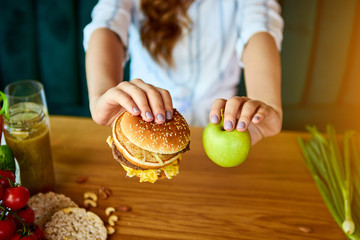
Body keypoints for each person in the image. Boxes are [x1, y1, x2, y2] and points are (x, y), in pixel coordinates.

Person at [84, 0, 284, 145]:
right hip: (145, 129)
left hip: (225, 126)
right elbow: (107, 24)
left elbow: (260, 28)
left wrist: (265, 102)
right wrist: (100, 96)